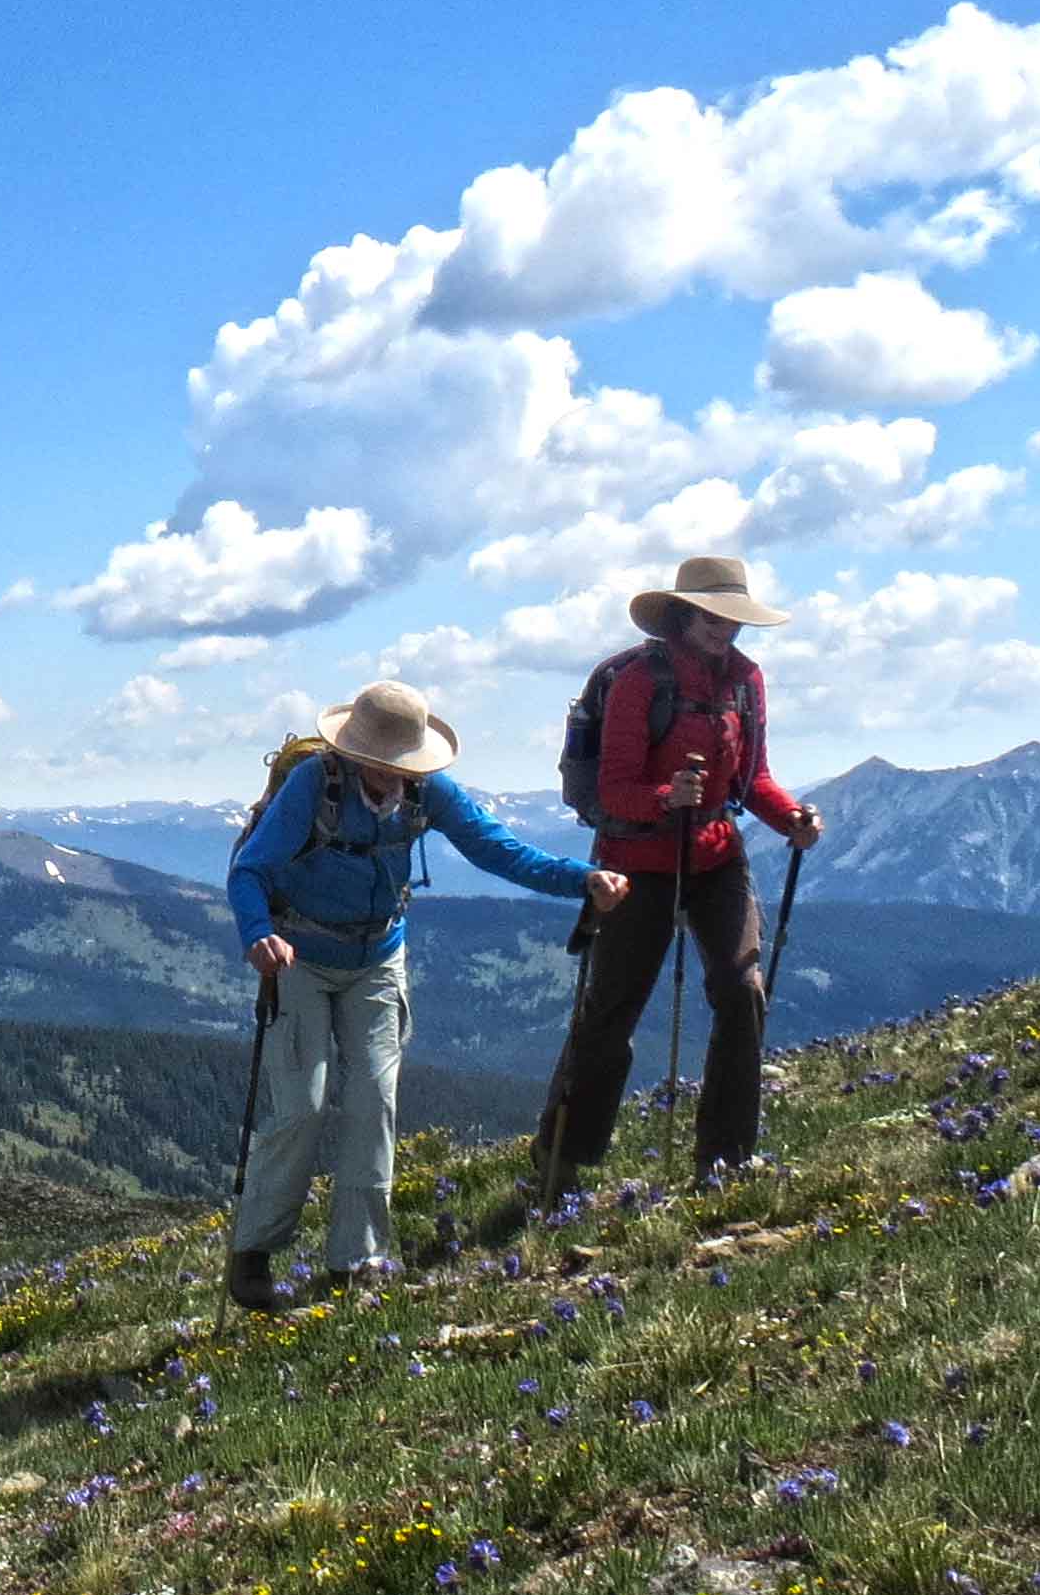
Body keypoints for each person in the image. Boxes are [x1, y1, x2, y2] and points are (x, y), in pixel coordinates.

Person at [224, 680, 628, 1308]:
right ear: (353, 754)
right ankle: (253, 1253)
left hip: (379, 956)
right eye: (379, 765)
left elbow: (498, 849)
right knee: (301, 1104)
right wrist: (258, 935)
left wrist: (583, 880)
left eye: (399, 766)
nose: (390, 778)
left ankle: (356, 1262)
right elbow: (250, 869)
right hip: (298, 956)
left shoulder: (426, 792)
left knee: (373, 1102)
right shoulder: (312, 786)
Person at [529, 555, 827, 1190]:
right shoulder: (641, 680)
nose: (727, 629)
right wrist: (668, 797)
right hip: (636, 862)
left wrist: (791, 819)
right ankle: (560, 1162)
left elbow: (754, 780)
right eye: (715, 615)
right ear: (684, 613)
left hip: (717, 854)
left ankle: (725, 1159)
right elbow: (613, 791)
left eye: (735, 618)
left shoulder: (746, 681)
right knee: (612, 1012)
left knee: (741, 990)